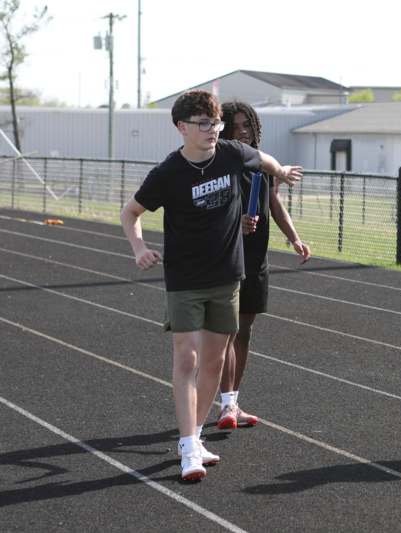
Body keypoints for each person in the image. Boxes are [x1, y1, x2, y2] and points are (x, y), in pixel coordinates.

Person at [120, 90, 302, 481]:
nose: (213, 130)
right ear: (181, 127)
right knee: (187, 360)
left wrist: (282, 171)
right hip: (185, 280)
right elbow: (130, 212)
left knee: (214, 364)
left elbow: (265, 161)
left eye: (215, 123)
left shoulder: (233, 154)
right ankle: (188, 447)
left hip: (227, 277)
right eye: (203, 124)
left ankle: (196, 435)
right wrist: (139, 248)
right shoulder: (168, 173)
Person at [216, 101, 311, 430]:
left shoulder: (263, 163)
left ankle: (233, 401)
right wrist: (235, 223)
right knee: (226, 332)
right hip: (227, 254)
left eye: (247, 125)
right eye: (235, 125)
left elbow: (273, 202)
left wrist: (294, 238)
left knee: (243, 331)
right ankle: (226, 403)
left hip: (256, 256)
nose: (242, 131)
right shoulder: (220, 162)